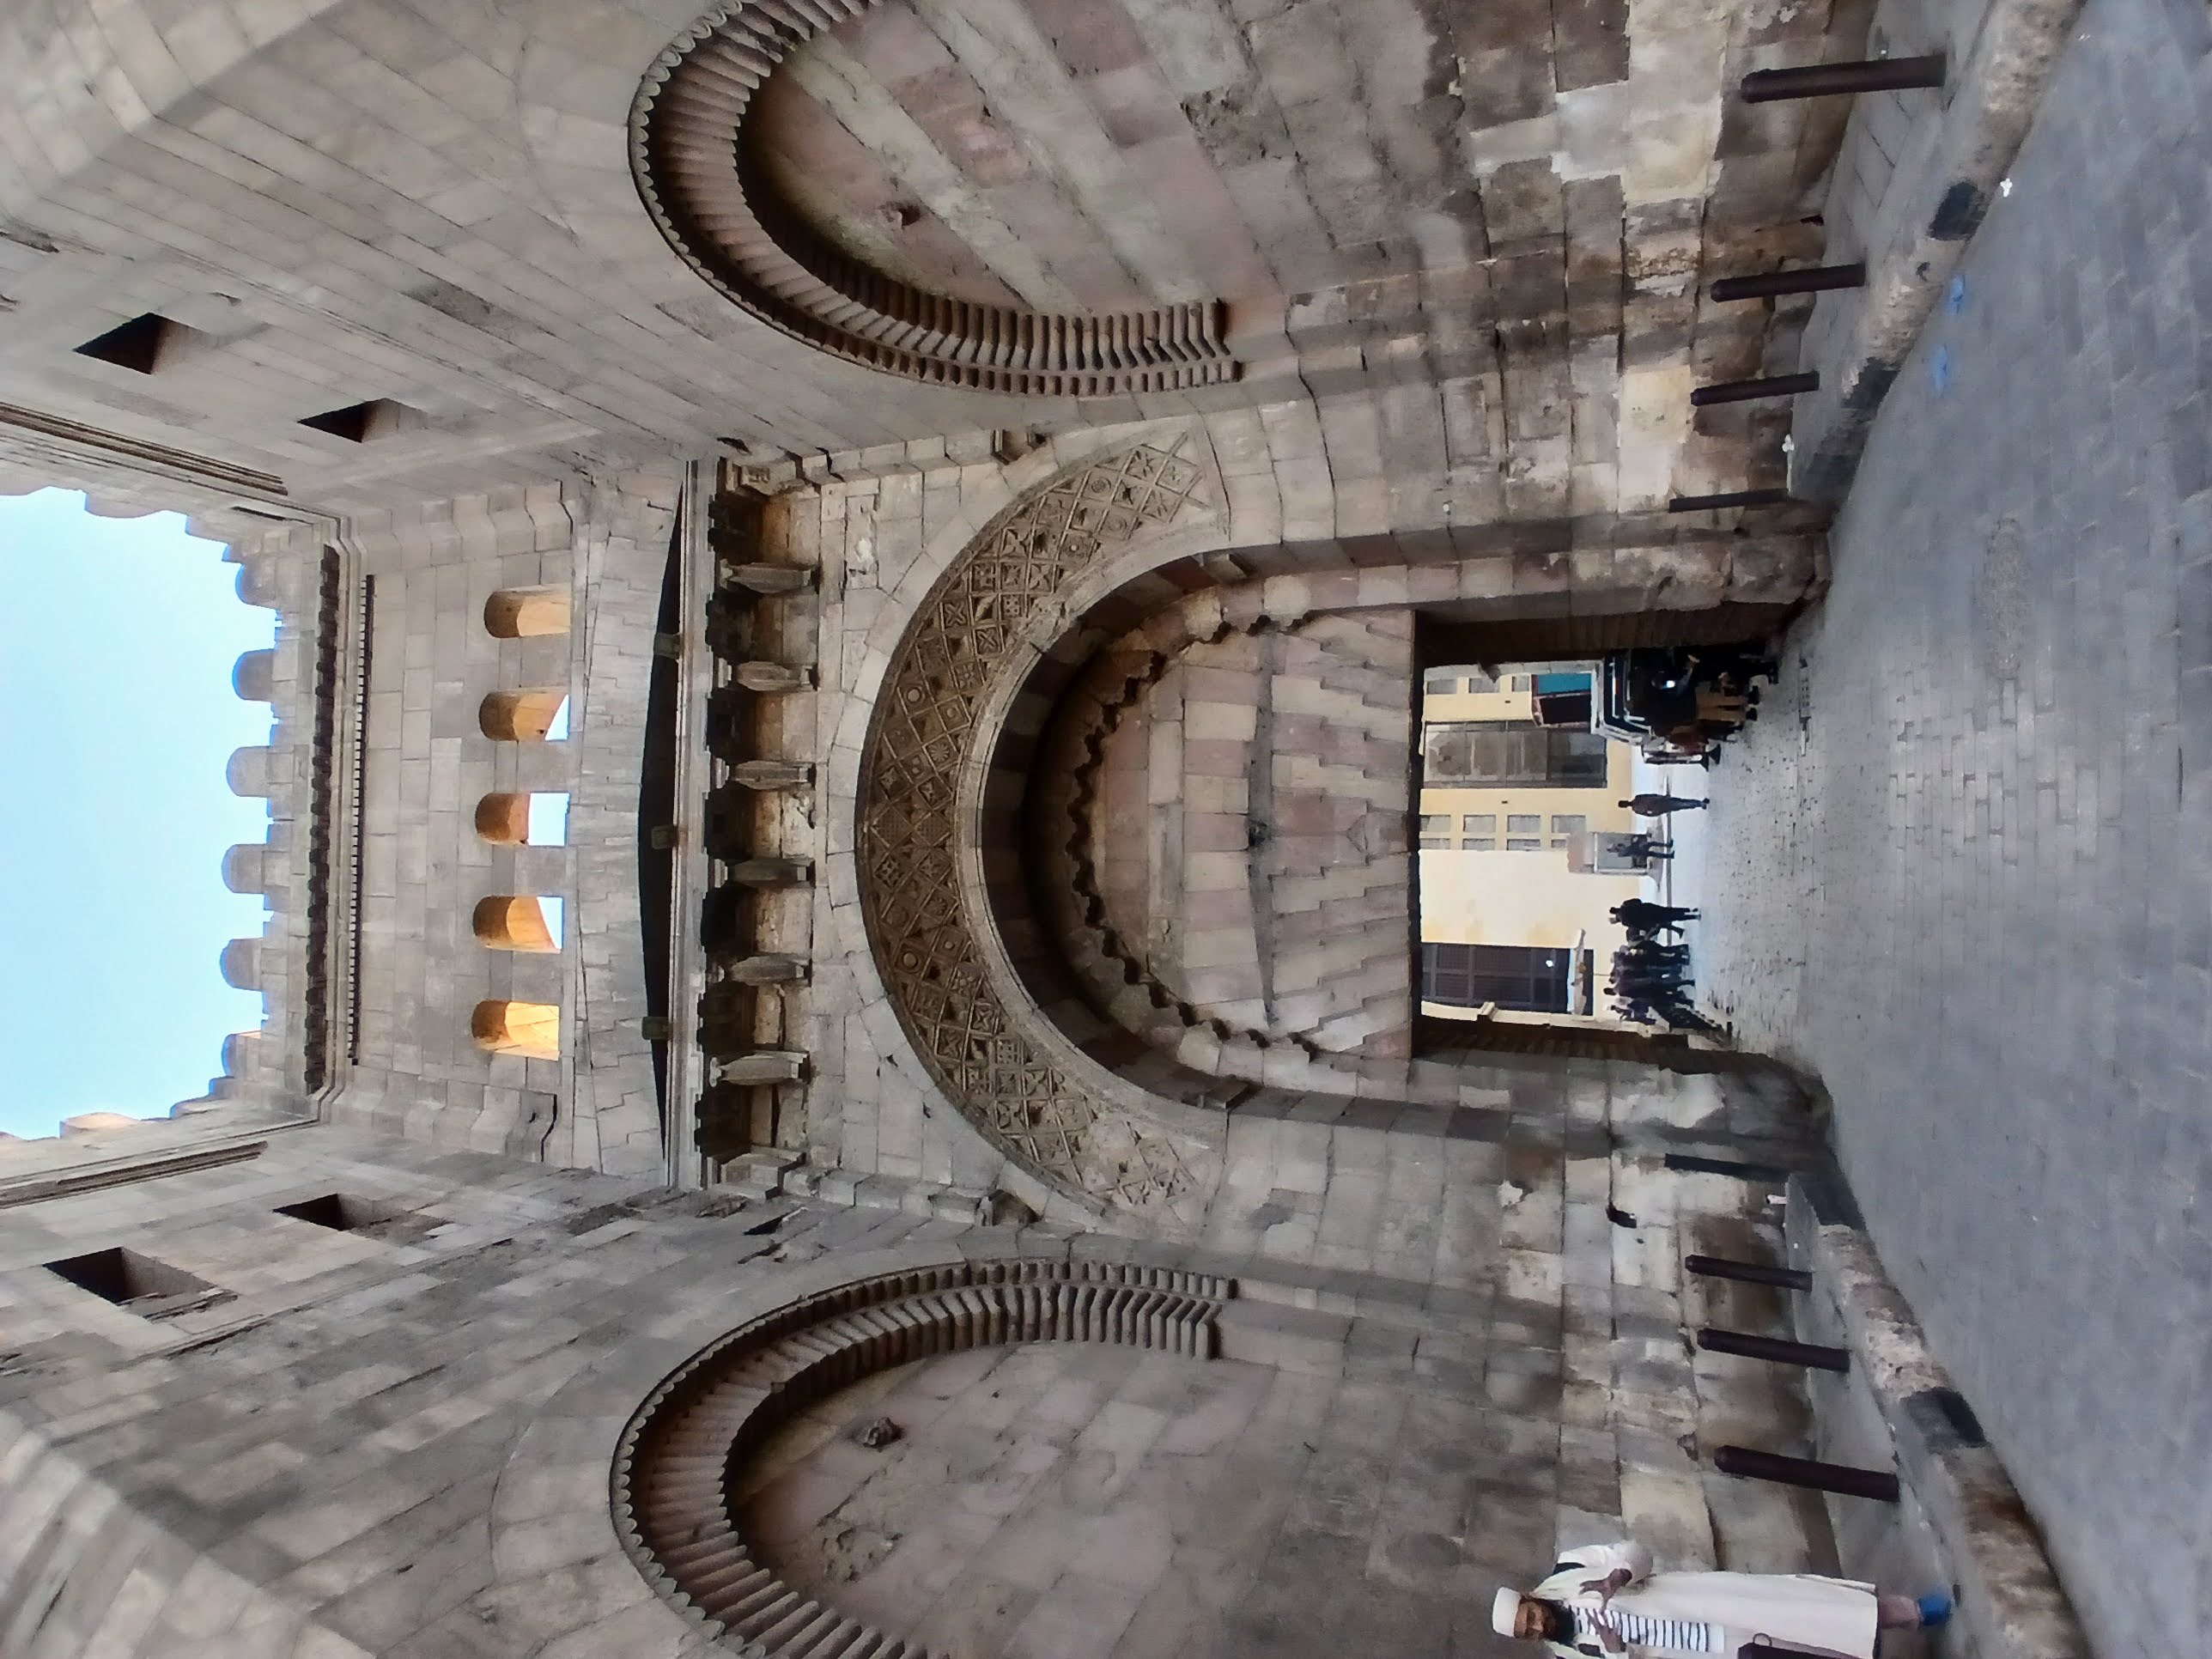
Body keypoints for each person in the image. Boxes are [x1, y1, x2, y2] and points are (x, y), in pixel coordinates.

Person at [1494, 1540, 1951, 1658]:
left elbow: (1637, 1551)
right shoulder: (1569, 1654)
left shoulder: (1570, 1567)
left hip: (1708, 1608)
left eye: (1530, 1617)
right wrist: (1616, 1655)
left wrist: (1618, 1577)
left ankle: (1912, 1613)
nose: (1537, 1627)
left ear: (1531, 1599)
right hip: (1699, 1653)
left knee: (1811, 1612)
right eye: (1528, 1633)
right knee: (1806, 1657)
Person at [1613, 899, 1698, 933]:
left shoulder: (1625, 921)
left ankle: (1693, 917)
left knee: (1671, 918)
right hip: (1649, 908)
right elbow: (1637, 901)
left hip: (1650, 919)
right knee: (1669, 910)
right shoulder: (1625, 905)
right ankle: (1688, 910)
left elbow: (1637, 925)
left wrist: (1647, 928)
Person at [1623, 793, 1708, 817]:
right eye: (1625, 804)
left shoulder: (1638, 799)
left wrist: (1662, 797)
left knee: (1681, 803)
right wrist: (1659, 812)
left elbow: (1651, 795)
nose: (1627, 803)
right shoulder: (1636, 809)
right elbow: (1649, 814)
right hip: (1661, 806)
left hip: (1662, 802)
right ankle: (1699, 803)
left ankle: (1699, 803)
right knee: (1681, 804)